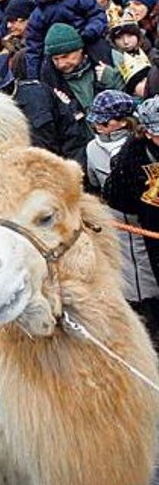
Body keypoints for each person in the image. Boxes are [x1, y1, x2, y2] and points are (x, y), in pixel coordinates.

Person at [84, 90, 159, 334]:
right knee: (139, 280)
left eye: (105, 122)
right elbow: (106, 191)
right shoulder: (114, 152)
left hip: (145, 222)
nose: (99, 126)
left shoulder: (131, 149)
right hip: (131, 223)